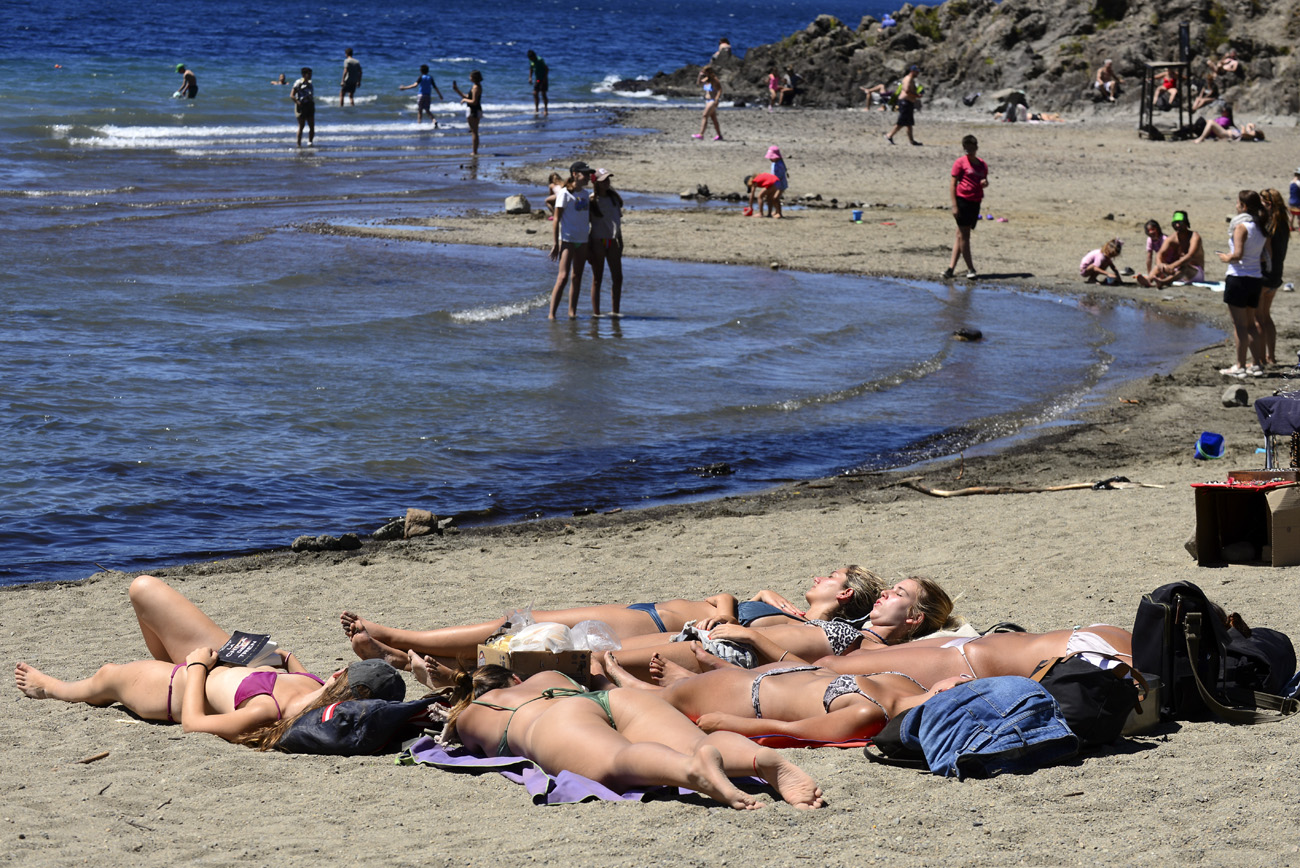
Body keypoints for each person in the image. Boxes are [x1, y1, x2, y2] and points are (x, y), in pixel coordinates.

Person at [12, 575, 398, 746]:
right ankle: (170, 655)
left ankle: (54, 689)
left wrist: (196, 668)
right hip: (227, 659)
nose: (332, 672)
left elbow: (195, 725)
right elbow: (299, 676)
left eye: (341, 673)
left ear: (341, 682)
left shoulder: (269, 711)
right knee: (143, 589)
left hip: (181, 685)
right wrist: (284, 658)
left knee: (106, 677)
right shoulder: (317, 692)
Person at [341, 566, 888, 671]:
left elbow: (731, 625)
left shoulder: (794, 627)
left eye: (831, 577)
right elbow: (730, 594)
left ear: (843, 597)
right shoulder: (787, 609)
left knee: (523, 628)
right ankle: (406, 656)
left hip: (650, 627)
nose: (818, 576)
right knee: (528, 635)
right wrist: (764, 596)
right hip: (647, 617)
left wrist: (734, 609)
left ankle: (399, 637)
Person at [435, 665, 824, 809]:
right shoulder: (544, 678)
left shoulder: (471, 714)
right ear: (514, 679)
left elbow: (462, 743)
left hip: (553, 723)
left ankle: (693, 772)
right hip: (614, 700)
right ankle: (758, 761)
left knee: (620, 761)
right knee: (694, 740)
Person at [601, 574, 958, 682]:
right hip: (712, 634)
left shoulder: (877, 649)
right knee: (599, 651)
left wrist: (753, 636)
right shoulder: (850, 625)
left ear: (914, 618)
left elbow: (817, 671)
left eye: (898, 593)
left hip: (735, 653)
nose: (885, 592)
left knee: (598, 662)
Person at [602, 652, 969, 743]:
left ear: (948, 693)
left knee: (653, 700)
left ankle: (623, 688)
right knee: (677, 691)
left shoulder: (867, 713)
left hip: (745, 696)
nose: (963, 676)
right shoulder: (909, 684)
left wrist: (732, 724)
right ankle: (682, 681)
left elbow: (795, 730)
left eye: (966, 681)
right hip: (770, 677)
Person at [821, 624, 1134, 686]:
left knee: (830, 666)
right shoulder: (1120, 653)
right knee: (834, 664)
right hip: (971, 654)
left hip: (972, 657)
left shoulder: (1118, 649)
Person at [1217, 189, 1269, 378]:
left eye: (1238, 203)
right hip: (1255, 278)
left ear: (1244, 206)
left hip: (1238, 277)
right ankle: (1256, 364)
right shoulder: (1261, 227)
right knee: (1251, 324)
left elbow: (1237, 255)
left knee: (1239, 325)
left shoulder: (1242, 227)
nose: (1236, 206)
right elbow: (1265, 256)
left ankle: (1240, 366)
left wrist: (1225, 257)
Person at [548, 161, 593, 319]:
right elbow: (556, 219)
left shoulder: (586, 194)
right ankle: (552, 315)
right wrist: (555, 243)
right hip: (567, 240)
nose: (588, 177)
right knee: (563, 277)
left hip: (583, 240)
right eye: (585, 174)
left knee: (577, 276)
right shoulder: (565, 193)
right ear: (575, 174)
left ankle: (572, 312)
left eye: (589, 174)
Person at [942, 134, 987, 280]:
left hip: (975, 202)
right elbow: (952, 184)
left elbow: (983, 180)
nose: (969, 152)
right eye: (966, 149)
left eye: (972, 149)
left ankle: (950, 269)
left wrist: (985, 183)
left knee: (960, 236)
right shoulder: (960, 163)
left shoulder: (982, 164)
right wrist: (954, 206)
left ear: (976, 148)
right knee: (965, 236)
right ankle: (971, 268)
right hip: (962, 201)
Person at [1258, 188, 1289, 366]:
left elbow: (1265, 253)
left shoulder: (1270, 226)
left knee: (1258, 319)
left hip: (1264, 275)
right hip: (1276, 276)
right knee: (1266, 316)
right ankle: (1271, 356)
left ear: (1268, 204)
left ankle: (1261, 358)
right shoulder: (1283, 224)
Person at [588, 168, 624, 317]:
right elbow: (586, 223)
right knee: (598, 278)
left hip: (613, 240)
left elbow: (617, 221)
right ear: (596, 183)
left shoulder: (614, 198)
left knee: (618, 277)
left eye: (608, 179)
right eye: (604, 180)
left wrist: (620, 240)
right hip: (598, 241)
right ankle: (596, 314)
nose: (607, 182)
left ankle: (615, 311)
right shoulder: (591, 200)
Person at [1140, 210, 1205, 288]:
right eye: (1175, 223)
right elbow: (1159, 254)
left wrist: (1172, 266)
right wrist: (1161, 264)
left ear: (1185, 223)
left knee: (1185, 266)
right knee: (1158, 266)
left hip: (1195, 273)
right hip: (1177, 271)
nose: (1177, 225)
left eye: (1180, 223)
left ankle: (1163, 282)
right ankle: (1148, 281)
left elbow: (1189, 256)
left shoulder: (1194, 237)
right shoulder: (1172, 238)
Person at [885, 65, 921, 145]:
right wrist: (916, 96)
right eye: (916, 72)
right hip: (905, 102)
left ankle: (912, 141)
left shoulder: (911, 79)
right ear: (912, 71)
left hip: (908, 103)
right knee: (901, 122)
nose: (918, 73)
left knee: (909, 123)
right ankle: (889, 135)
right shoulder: (908, 79)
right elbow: (907, 90)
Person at [452, 71, 483, 155]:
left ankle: (474, 151)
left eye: (470, 76)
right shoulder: (474, 86)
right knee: (473, 131)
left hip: (474, 110)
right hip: (473, 110)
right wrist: (456, 90)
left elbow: (474, 101)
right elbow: (467, 96)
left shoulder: (476, 87)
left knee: (474, 131)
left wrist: (465, 100)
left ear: (474, 77)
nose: (469, 78)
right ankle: (474, 151)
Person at [693, 66, 723, 141]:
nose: (704, 73)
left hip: (713, 100)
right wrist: (699, 76)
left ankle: (701, 134)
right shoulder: (707, 79)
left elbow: (720, 90)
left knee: (705, 115)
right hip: (707, 101)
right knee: (713, 119)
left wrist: (716, 99)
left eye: (704, 71)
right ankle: (719, 135)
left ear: (708, 72)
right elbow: (698, 83)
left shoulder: (714, 80)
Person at [291, 67, 315, 147]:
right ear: (304, 74)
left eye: (311, 74)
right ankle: (299, 144)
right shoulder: (298, 82)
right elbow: (292, 95)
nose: (310, 75)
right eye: (309, 74)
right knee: (301, 126)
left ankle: (310, 142)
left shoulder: (310, 83)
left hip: (310, 105)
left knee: (311, 125)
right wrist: (297, 102)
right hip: (301, 106)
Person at [1194, 116, 1265, 142]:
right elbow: (1248, 126)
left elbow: (1243, 133)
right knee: (1209, 122)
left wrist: (1243, 128)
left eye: (1253, 131)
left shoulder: (1250, 136)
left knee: (1211, 122)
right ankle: (1201, 136)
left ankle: (1201, 138)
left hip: (1225, 134)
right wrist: (1251, 125)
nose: (1252, 131)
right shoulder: (1250, 134)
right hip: (1225, 133)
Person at [766, 145, 788, 219]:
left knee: (775, 198)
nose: (770, 159)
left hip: (780, 184)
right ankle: (776, 211)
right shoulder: (774, 163)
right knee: (772, 197)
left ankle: (779, 213)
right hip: (775, 183)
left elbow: (780, 176)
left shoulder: (780, 165)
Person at [527, 50, 549, 116]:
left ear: (534, 56)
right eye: (530, 58)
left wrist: (545, 78)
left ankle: (545, 109)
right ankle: (536, 108)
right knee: (535, 93)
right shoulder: (531, 60)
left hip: (543, 78)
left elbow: (547, 69)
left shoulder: (540, 60)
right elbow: (531, 68)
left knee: (543, 93)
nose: (531, 59)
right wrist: (530, 77)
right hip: (538, 79)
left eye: (532, 58)